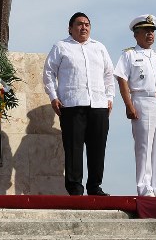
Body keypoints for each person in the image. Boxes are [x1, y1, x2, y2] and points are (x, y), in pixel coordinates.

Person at [43, 12, 114, 196]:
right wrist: (53, 96)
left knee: (97, 148)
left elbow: (108, 75)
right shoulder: (61, 47)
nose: (84, 27)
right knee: (74, 149)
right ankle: (75, 188)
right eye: (80, 24)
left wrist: (110, 98)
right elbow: (49, 73)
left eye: (87, 24)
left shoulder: (99, 48)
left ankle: (94, 187)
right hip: (72, 104)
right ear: (70, 28)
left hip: (98, 104)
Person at [114, 14, 156, 197]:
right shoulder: (129, 55)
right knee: (144, 146)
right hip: (142, 100)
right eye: (146, 31)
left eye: (152, 31)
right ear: (136, 34)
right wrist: (128, 104)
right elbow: (122, 78)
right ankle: (144, 187)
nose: (150, 35)